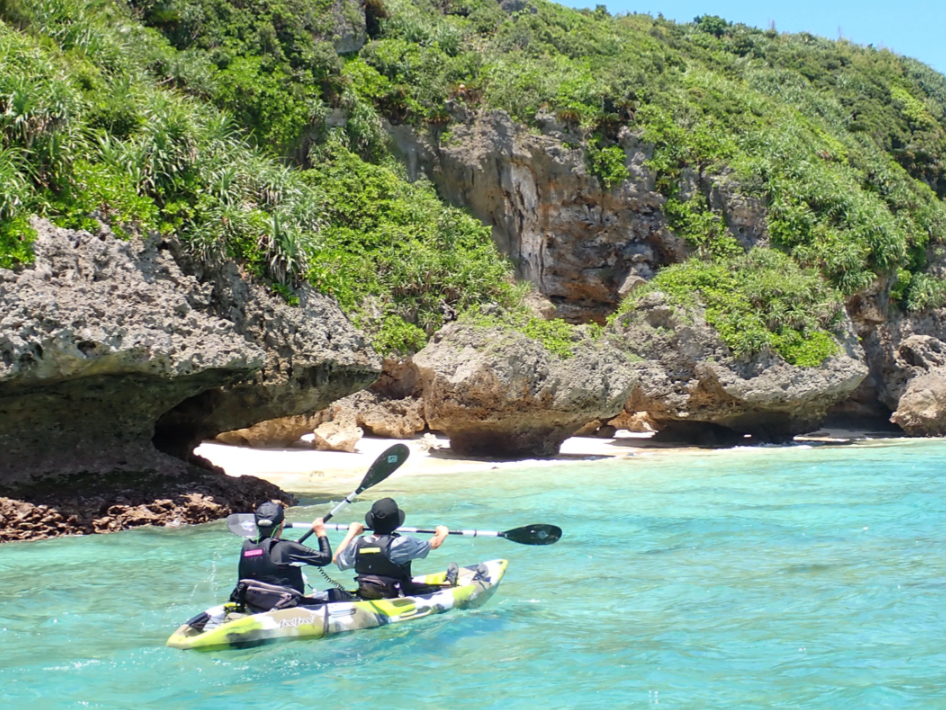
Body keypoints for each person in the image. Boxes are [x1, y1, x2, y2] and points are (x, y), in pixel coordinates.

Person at [232, 501, 346, 611]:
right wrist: (321, 533)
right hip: (285, 604)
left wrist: (293, 548)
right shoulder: (287, 547)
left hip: (254, 602)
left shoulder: (246, 546)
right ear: (282, 523)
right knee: (338, 594)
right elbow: (325, 558)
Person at [334, 497, 457, 599]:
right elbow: (434, 544)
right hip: (397, 594)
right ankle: (448, 584)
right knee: (431, 588)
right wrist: (442, 533)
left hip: (367, 592)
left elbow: (336, 559)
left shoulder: (356, 543)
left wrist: (351, 533)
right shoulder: (402, 543)